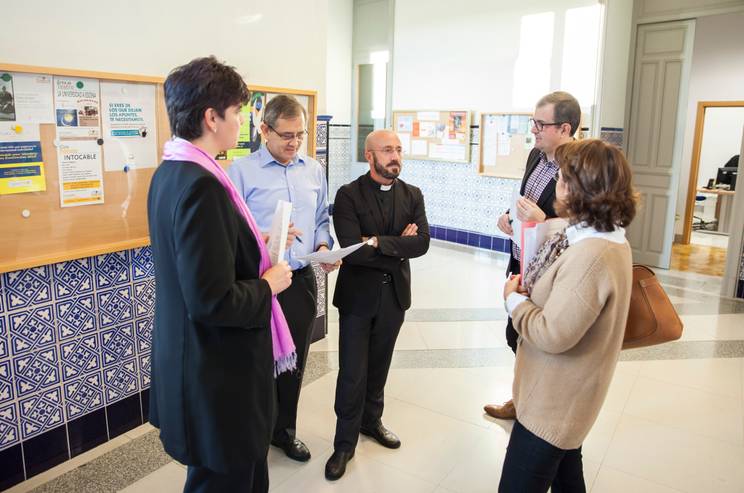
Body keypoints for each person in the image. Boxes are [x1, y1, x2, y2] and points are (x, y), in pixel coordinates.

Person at [147, 56, 294, 493]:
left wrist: (252, 243)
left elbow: (202, 260)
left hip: (198, 365)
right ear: (212, 118)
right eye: (238, 113)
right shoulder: (203, 185)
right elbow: (212, 299)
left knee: (238, 475)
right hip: (218, 376)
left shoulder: (171, 172)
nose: (243, 123)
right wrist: (267, 286)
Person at [498, 139, 637, 492]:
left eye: (561, 179)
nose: (555, 185)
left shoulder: (592, 255)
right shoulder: (602, 237)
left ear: (576, 189)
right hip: (568, 399)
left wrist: (514, 301)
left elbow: (552, 334)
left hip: (553, 405)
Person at [227, 94, 338, 463]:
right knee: (256, 364)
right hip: (258, 284)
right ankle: (252, 434)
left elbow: (322, 215)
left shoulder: (313, 169)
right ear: (264, 130)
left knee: (294, 362)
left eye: (300, 135)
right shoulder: (240, 171)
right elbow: (231, 230)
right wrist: (267, 235)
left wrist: (324, 242)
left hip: (300, 278)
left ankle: (284, 432)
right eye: (286, 135)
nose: (293, 143)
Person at [325, 129, 430, 480]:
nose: (395, 156)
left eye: (398, 149)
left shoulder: (413, 195)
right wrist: (397, 244)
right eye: (387, 150)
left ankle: (372, 422)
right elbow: (352, 250)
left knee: (380, 365)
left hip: (394, 298)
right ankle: (344, 442)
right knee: (353, 371)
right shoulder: (348, 195)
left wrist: (376, 243)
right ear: (369, 156)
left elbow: (422, 244)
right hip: (357, 298)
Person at [484, 91, 581, 420]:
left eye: (541, 124)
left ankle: (540, 405)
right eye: (533, 122)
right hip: (521, 259)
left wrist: (545, 222)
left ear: (565, 128)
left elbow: (584, 225)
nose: (534, 129)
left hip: (553, 270)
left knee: (541, 337)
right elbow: (525, 199)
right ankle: (522, 396)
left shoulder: (579, 168)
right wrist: (509, 216)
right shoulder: (535, 157)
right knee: (516, 332)